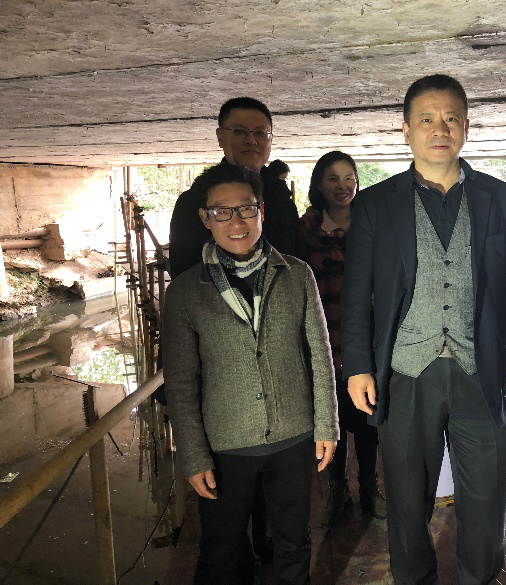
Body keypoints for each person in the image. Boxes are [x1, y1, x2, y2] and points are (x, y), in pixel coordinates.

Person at [341, 74, 506, 584]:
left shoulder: (499, 197)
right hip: (406, 373)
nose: (439, 129)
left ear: (466, 127)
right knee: (407, 506)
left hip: (484, 372)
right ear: (406, 130)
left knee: (486, 502)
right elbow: (357, 294)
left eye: (451, 118)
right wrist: (358, 365)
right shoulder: (375, 204)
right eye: (426, 119)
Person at [163, 164, 338, 585]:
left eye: (246, 209)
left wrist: (326, 424)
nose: (236, 222)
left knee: (294, 542)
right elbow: (181, 383)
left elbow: (320, 354)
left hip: (293, 434)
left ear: (261, 211)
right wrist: (193, 454)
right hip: (226, 443)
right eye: (221, 212)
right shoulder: (185, 291)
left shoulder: (297, 274)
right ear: (205, 218)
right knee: (221, 551)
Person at [300, 151, 383, 526]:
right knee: (330, 416)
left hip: (366, 337)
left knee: (367, 418)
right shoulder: (306, 230)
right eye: (333, 178)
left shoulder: (371, 224)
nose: (343, 185)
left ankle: (368, 487)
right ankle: (337, 490)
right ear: (320, 184)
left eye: (349, 177)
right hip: (324, 335)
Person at [168, 97, 305, 280]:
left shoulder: (281, 197)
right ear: (220, 137)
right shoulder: (195, 202)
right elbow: (184, 278)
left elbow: (297, 263)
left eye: (260, 133)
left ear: (271, 139)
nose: (251, 140)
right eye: (239, 132)